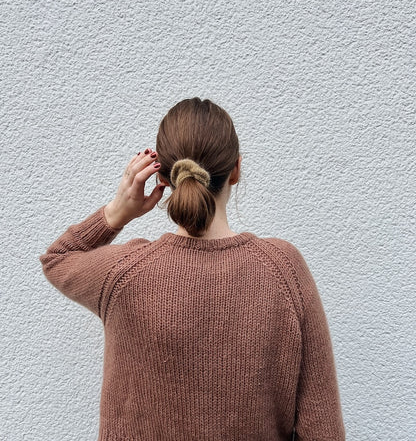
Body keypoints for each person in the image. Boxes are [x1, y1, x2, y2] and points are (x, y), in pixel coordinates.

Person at [39, 97, 345, 440]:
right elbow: (323, 430)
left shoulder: (126, 273)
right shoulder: (284, 269)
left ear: (164, 177)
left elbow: (58, 258)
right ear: (236, 170)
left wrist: (118, 212)